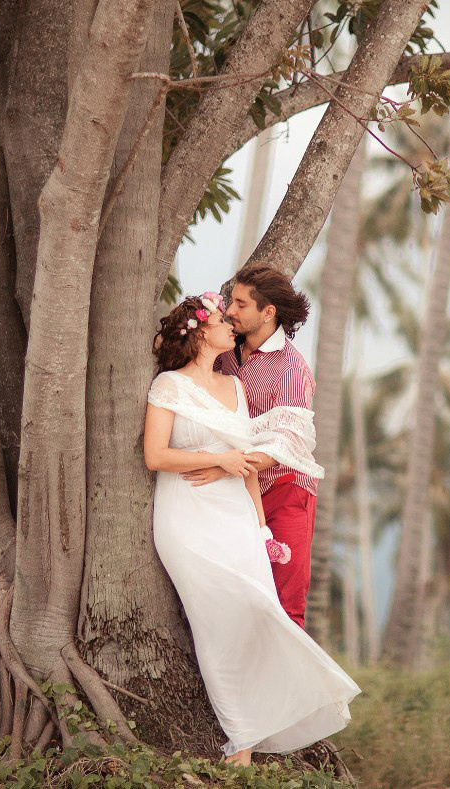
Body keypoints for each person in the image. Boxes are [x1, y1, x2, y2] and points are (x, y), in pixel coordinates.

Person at [143, 292, 359, 764]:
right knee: (218, 619)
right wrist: (217, 459)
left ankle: (280, 713)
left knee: (261, 609)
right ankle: (241, 739)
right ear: (201, 334)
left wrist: (261, 526)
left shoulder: (237, 388)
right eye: (223, 317)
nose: (231, 324)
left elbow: (250, 464)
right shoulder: (168, 386)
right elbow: (156, 456)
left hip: (240, 515)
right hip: (187, 515)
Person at [181, 264, 319, 629]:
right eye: (231, 302)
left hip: (285, 490)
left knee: (287, 603)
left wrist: (227, 464)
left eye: (241, 304)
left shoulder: (291, 370)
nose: (230, 311)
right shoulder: (223, 349)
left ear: (268, 312)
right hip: (235, 488)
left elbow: (286, 442)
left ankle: (291, 685)